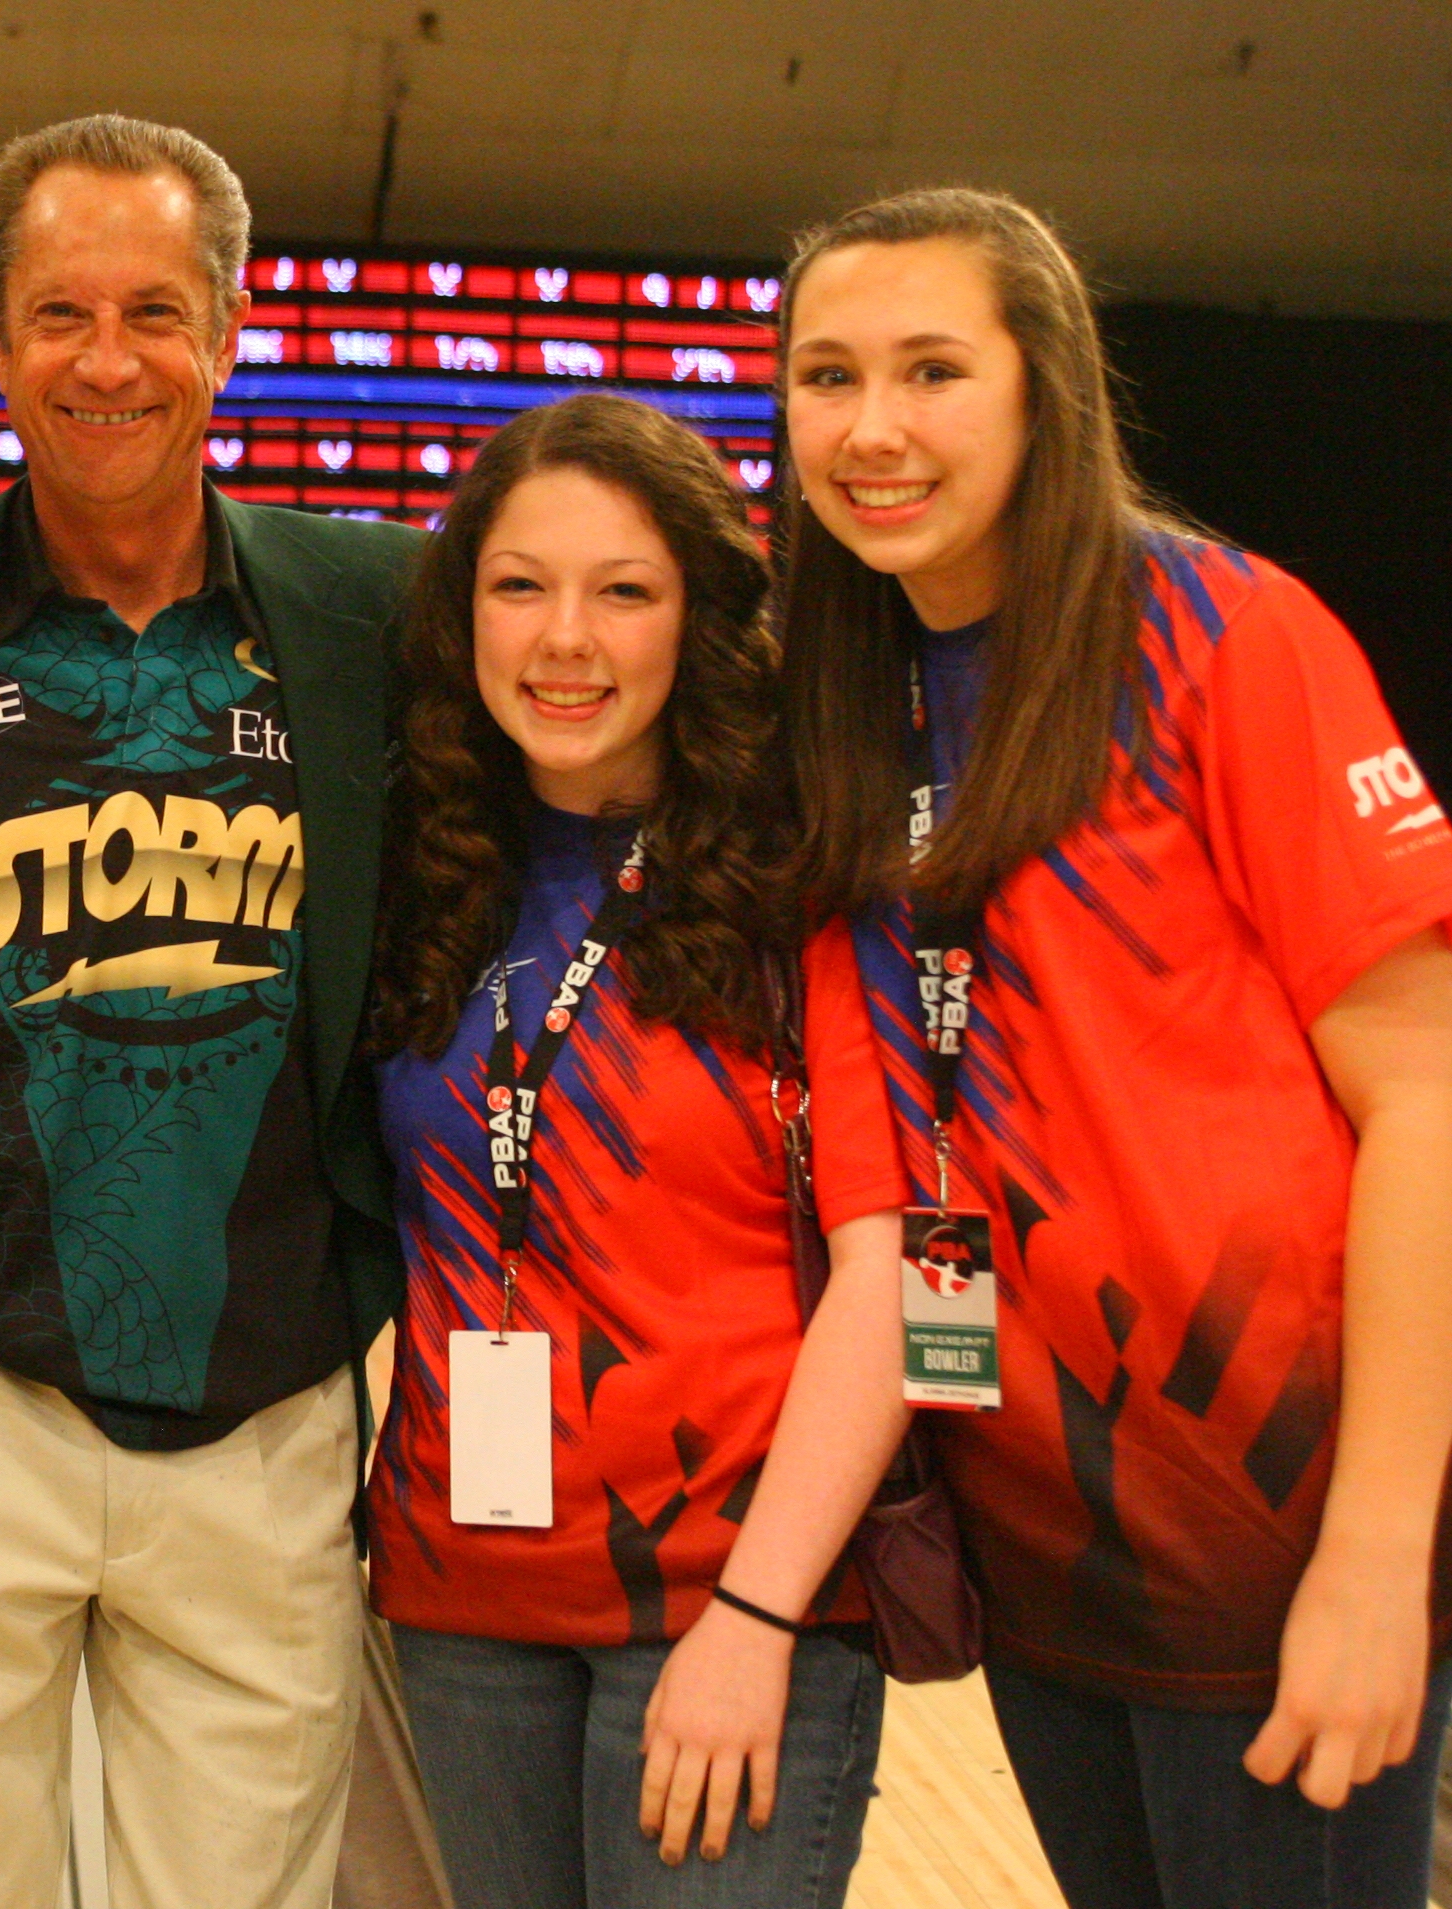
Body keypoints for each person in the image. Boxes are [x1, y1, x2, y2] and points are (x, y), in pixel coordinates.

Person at [774, 186, 1452, 1909]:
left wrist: (1375, 1553)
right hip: (1044, 1533)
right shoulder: (843, 691)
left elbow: (1434, 1094)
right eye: (825, 376)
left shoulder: (1224, 636)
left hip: (1277, 1519)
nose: (872, 428)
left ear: (1048, 388)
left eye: (933, 370)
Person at [0, 114, 422, 1908]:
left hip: (270, 1412)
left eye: (153, 311)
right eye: (59, 313)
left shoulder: (385, 615)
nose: (108, 360)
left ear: (230, 324)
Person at [361, 392, 911, 1907]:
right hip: (460, 1590)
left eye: (625, 591)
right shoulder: (419, 865)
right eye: (521, 585)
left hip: (733, 1594)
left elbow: (897, 1262)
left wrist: (761, 1614)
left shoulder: (810, 876)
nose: (566, 640)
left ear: (701, 617)